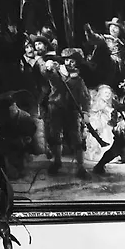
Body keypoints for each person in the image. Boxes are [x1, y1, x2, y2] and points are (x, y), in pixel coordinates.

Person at [40, 47, 91, 179]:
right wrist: (48, 67)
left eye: (72, 61)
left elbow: (85, 98)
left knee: (76, 138)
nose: (69, 63)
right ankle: (57, 162)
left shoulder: (78, 80)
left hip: (72, 111)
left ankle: (80, 166)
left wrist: (85, 114)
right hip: (55, 108)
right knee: (55, 136)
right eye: (67, 60)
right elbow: (46, 74)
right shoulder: (56, 74)